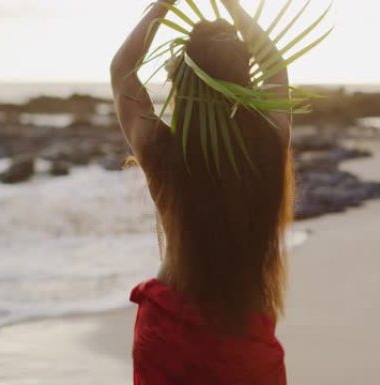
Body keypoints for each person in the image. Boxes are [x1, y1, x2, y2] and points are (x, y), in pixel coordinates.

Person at [109, 0, 294, 383]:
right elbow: (275, 67)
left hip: (168, 336)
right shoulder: (269, 144)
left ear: (181, 81)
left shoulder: (163, 151)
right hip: (246, 342)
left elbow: (122, 72)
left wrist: (164, 4)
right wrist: (232, 6)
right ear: (247, 82)